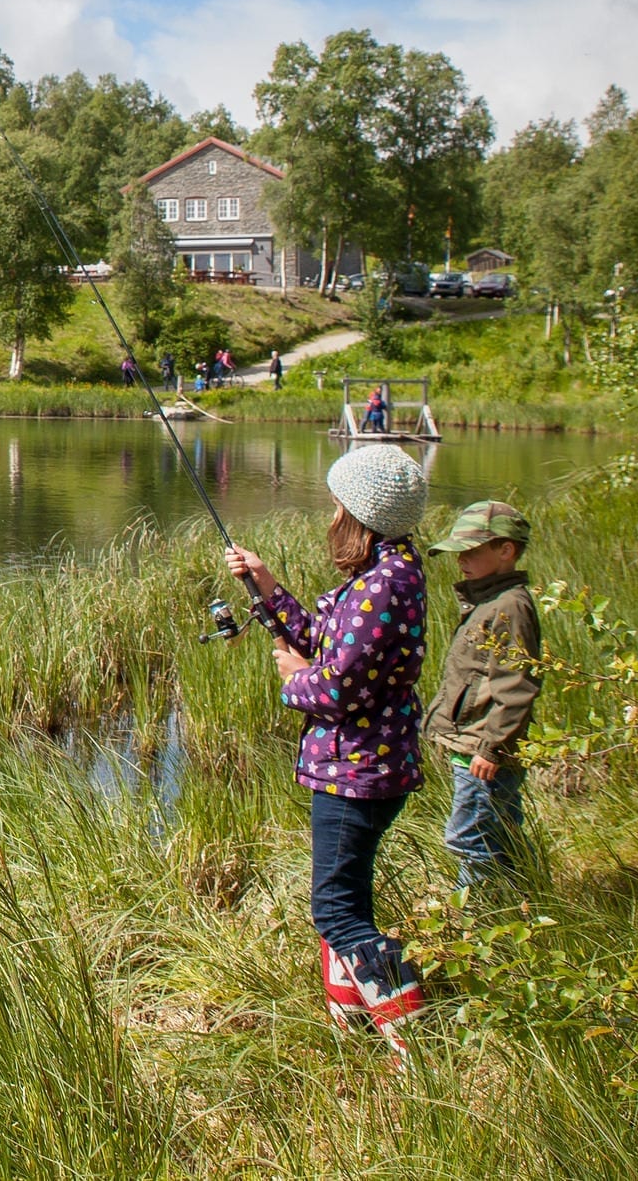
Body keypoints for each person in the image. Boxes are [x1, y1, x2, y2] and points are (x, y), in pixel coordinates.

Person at [226, 444, 430, 1054]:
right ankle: (354, 1029)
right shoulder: (385, 577)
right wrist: (267, 587)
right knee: (349, 904)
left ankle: (414, 1035)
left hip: (357, 769)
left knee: (337, 913)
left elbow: (337, 685)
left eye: (337, 503)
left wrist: (294, 678)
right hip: (362, 765)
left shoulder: (385, 587)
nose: (330, 514)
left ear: (360, 514)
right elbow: (327, 642)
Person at [423, 501, 541, 889]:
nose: (462, 561)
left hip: (482, 752)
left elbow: (516, 685)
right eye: (460, 553)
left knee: (469, 840)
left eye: (472, 552)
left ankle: (476, 922)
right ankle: (525, 901)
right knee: (500, 834)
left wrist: (492, 747)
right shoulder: (488, 602)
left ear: (506, 550)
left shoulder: (509, 606)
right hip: (475, 747)